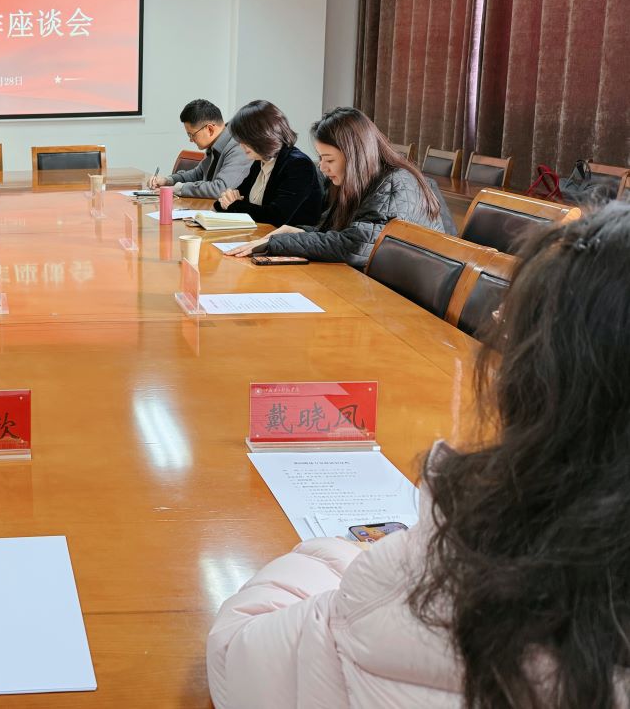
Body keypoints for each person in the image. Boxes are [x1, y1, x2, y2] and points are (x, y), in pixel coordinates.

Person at [208, 202, 630, 708]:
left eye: (512, 321)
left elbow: (238, 653)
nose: (498, 321)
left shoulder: (468, 570)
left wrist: (347, 558)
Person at [228, 106, 453, 268]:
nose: (322, 167)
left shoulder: (395, 182)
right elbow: (340, 233)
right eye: (321, 158)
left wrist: (278, 243)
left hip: (407, 299)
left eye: (329, 159)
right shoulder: (356, 181)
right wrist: (299, 231)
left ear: (354, 155)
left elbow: (357, 246)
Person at [213, 100, 323, 227]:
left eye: (245, 139)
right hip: (258, 233)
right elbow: (226, 201)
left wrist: (234, 205)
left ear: (262, 135)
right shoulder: (260, 161)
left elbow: (275, 217)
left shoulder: (298, 165)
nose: (241, 145)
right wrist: (228, 202)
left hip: (288, 238)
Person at [147, 99, 252, 200]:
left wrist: (178, 189)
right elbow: (198, 174)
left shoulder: (239, 146)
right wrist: (168, 181)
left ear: (210, 129)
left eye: (192, 135)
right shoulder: (215, 144)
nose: (190, 140)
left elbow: (221, 189)